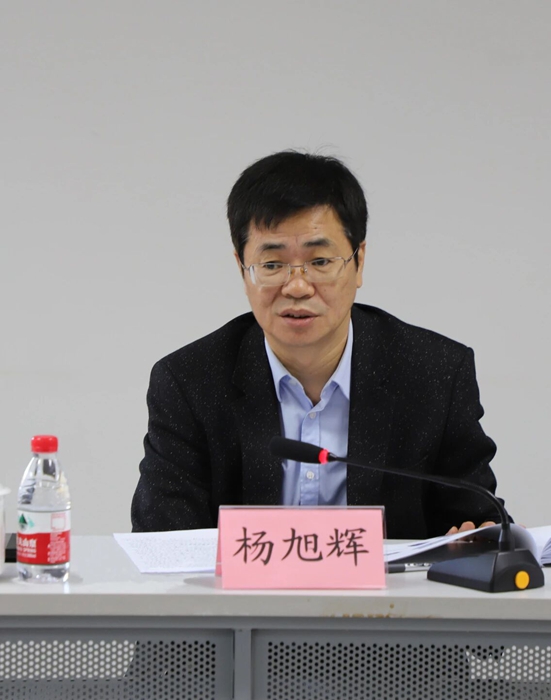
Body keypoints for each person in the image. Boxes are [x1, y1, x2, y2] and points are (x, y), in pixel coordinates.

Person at [131, 151, 501, 539]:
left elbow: (477, 519)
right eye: (272, 265)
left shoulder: (434, 373)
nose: (297, 286)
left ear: (358, 262)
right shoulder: (190, 383)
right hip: (240, 583)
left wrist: (479, 538)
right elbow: (163, 539)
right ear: (242, 269)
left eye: (320, 261)